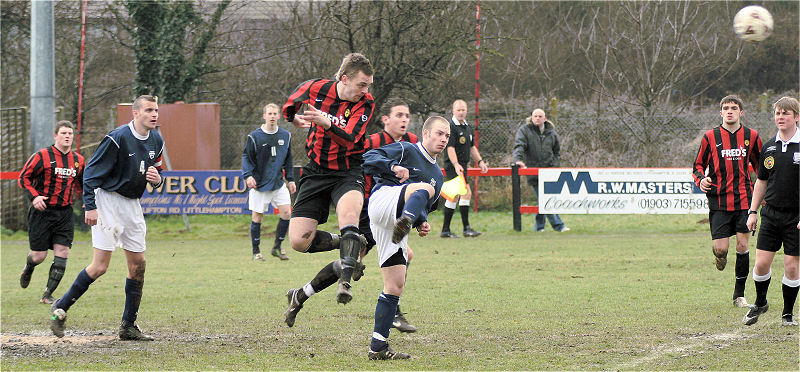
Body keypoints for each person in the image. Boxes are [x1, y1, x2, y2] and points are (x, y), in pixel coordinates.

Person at [283, 98, 418, 333]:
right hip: (367, 209)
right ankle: (393, 312)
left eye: (407, 115)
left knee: (396, 256)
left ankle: (300, 295)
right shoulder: (372, 142)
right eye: (399, 115)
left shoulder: (413, 143)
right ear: (385, 119)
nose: (404, 120)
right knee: (382, 257)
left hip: (389, 210)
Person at [49, 95, 164, 341]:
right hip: (107, 201)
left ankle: (128, 326)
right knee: (100, 266)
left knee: (138, 265)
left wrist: (158, 178)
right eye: (148, 110)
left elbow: (156, 169)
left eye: (156, 110)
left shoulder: (157, 139)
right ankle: (60, 306)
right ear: (135, 113)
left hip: (132, 204)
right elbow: (90, 173)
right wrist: (90, 207)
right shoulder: (118, 138)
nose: (154, 114)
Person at [282, 53, 375, 304]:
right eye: (361, 85)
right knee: (298, 242)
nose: (365, 91)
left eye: (368, 85)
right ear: (345, 78)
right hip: (316, 171)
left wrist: (326, 123)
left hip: (348, 170)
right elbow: (290, 102)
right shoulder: (318, 88)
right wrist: (293, 118)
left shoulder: (365, 103)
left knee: (349, 217)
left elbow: (351, 138)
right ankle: (343, 242)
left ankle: (345, 283)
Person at [362, 115, 450, 360]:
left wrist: (422, 221)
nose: (443, 139)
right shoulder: (406, 149)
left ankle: (377, 347)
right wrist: (393, 167)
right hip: (383, 200)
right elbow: (368, 157)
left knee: (395, 284)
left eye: (447, 136)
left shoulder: (438, 175)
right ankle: (405, 221)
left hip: (393, 220)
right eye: (439, 133)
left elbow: (425, 204)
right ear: (425, 133)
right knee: (424, 189)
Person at [692, 95, 762, 308]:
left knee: (742, 245)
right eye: (725, 108)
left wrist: (764, 196)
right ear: (720, 112)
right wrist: (701, 180)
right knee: (721, 249)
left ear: (741, 112)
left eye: (734, 108)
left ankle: (739, 296)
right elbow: (697, 166)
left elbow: (761, 169)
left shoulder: (752, 136)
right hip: (719, 202)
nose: (729, 111)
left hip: (745, 202)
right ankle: (720, 256)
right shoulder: (709, 137)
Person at [742, 96, 800, 326]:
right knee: (761, 264)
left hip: (796, 217)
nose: (781, 117)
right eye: (777, 113)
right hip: (771, 214)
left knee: (791, 266)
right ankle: (761, 302)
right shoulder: (769, 146)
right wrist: (753, 211)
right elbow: (761, 182)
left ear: (796, 117)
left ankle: (787, 314)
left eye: (786, 113)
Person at [18, 121, 85, 304]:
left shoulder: (78, 160)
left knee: (63, 252)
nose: (67, 136)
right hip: (42, 212)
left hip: (64, 213)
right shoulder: (42, 155)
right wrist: (35, 197)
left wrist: (87, 201)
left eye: (70, 133)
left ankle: (47, 295)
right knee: (39, 255)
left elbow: (81, 183)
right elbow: (24, 177)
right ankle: (29, 266)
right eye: (63, 133)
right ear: (55, 135)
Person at [242, 103, 296, 261]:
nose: (272, 116)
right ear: (264, 116)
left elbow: (288, 159)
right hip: (260, 184)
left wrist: (291, 179)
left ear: (279, 116)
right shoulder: (254, 136)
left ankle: (277, 248)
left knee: (286, 213)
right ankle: (256, 252)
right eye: (269, 114)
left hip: (278, 182)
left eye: (275, 114)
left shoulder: (286, 135)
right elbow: (246, 157)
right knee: (257, 217)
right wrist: (248, 175)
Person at [513, 108, 570, 232]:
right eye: (535, 116)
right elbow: (519, 146)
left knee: (543, 199)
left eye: (540, 116)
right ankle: (559, 226)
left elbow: (557, 152)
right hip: (533, 171)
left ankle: (539, 227)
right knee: (544, 198)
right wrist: (518, 159)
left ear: (545, 118)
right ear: (531, 118)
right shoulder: (524, 131)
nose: (537, 118)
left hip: (549, 172)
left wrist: (554, 166)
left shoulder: (552, 133)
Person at [440, 99, 488, 238]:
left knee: (455, 196)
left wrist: (480, 161)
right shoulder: (451, 127)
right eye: (458, 110)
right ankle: (465, 229)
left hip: (462, 166)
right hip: (454, 166)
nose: (461, 112)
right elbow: (450, 148)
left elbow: (472, 147)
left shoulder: (467, 127)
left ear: (467, 111)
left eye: (463, 110)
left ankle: (446, 230)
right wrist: (455, 164)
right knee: (465, 193)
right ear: (453, 111)